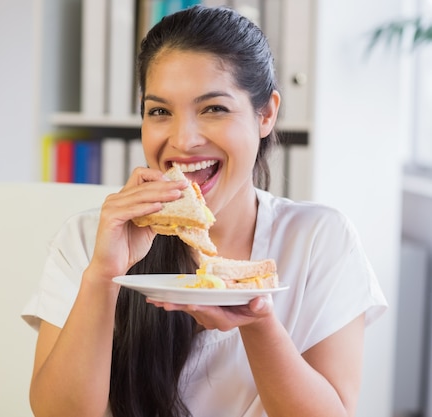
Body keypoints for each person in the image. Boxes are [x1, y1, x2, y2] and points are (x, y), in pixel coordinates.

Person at [22, 5, 387, 417]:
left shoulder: (319, 239)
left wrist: (258, 322)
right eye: (160, 111)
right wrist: (104, 277)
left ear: (265, 113)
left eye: (213, 108)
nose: (183, 140)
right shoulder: (89, 239)